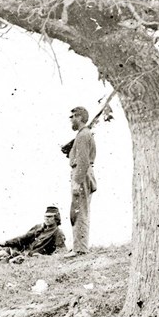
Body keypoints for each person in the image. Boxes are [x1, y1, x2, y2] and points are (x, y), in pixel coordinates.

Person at [66, 106, 97, 256]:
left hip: (81, 174)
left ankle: (80, 249)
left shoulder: (83, 135)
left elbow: (83, 161)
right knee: (78, 210)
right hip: (82, 173)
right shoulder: (83, 134)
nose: (70, 119)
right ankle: (78, 246)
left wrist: (77, 181)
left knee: (80, 210)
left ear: (79, 117)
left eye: (72, 116)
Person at [0, 205, 67, 257]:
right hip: (23, 252)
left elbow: (61, 251)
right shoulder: (38, 227)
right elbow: (24, 238)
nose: (47, 219)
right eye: (46, 216)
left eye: (50, 217)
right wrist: (6, 242)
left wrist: (43, 257)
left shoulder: (57, 232)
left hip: (33, 257)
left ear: (56, 218)